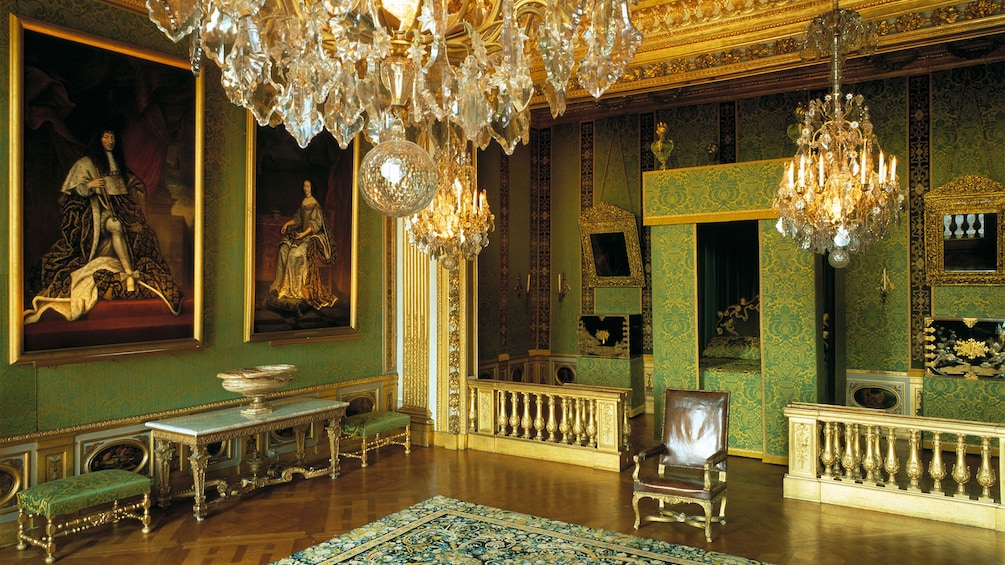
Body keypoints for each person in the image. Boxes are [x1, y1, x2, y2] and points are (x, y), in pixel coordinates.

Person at [24, 128, 183, 324]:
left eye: (113, 137)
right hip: (94, 214)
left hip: (119, 208)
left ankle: (130, 271)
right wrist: (90, 186)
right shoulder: (86, 163)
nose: (110, 140)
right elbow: (71, 194)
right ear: (98, 140)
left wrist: (135, 186)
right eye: (106, 137)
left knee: (143, 232)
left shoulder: (116, 163)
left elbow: (129, 182)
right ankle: (128, 273)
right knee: (115, 226)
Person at [266, 180, 337, 312]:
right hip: (302, 234)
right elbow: (298, 219)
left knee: (294, 254)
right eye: (304, 185)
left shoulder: (315, 204)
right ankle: (281, 286)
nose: (305, 188)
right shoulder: (304, 202)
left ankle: (295, 290)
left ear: (312, 188)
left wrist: (303, 234)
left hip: (312, 237)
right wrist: (287, 223)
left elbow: (317, 224)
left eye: (307, 186)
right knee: (283, 249)